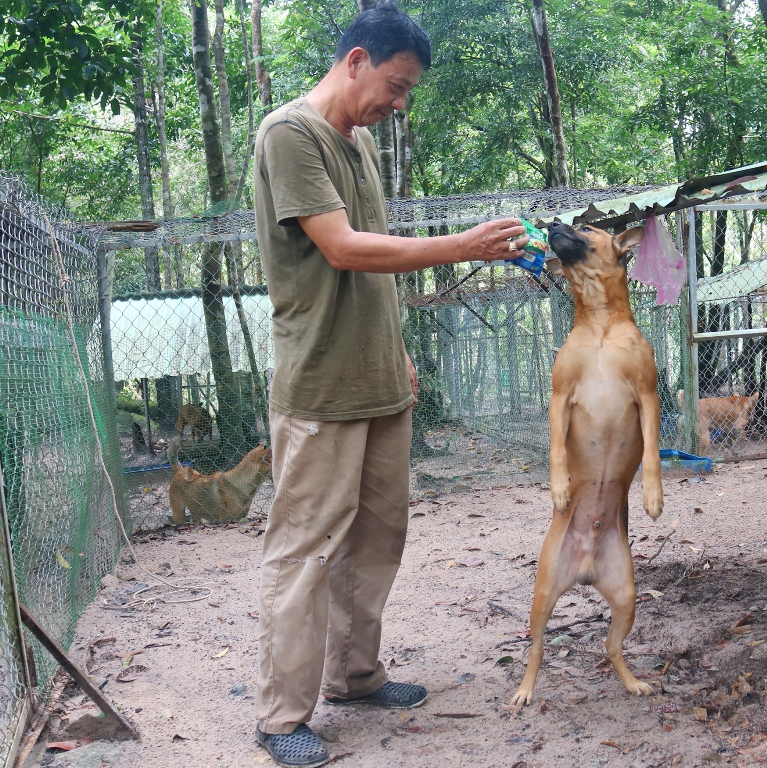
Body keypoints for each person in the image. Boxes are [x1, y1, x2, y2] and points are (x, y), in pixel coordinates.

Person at [251, 5, 528, 766]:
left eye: (407, 92)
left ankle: (354, 676)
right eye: (395, 85)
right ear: (356, 60)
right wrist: (462, 245)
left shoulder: (361, 141)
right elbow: (342, 249)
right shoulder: (290, 134)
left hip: (379, 378)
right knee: (304, 550)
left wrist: (398, 349)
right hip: (320, 385)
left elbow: (375, 263)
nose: (398, 104)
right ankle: (281, 718)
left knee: (377, 538)